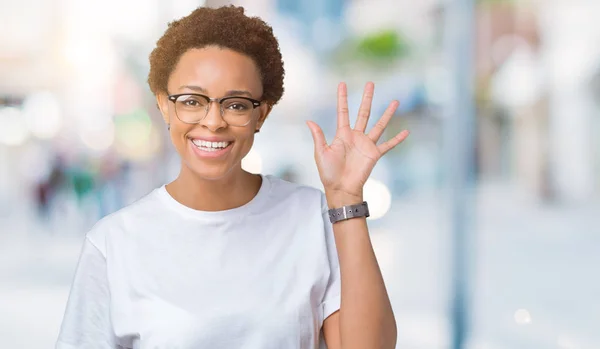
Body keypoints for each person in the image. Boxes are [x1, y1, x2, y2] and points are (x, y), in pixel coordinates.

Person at [56, 5, 409, 349]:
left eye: (236, 104)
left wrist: (346, 197)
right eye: (192, 101)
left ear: (262, 114)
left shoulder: (311, 217)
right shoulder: (113, 244)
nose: (213, 121)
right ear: (165, 105)